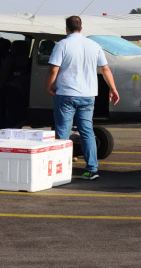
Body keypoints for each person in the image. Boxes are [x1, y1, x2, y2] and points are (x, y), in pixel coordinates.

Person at [46, 16, 120, 180]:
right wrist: (113, 89)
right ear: (81, 28)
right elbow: (105, 70)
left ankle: (62, 169)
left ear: (67, 28)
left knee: (63, 132)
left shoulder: (62, 45)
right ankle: (91, 169)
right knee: (87, 131)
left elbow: (53, 69)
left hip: (66, 94)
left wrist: (49, 86)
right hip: (88, 95)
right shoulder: (94, 45)